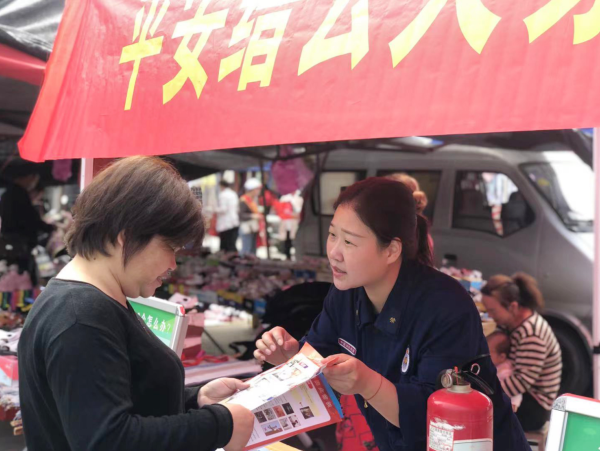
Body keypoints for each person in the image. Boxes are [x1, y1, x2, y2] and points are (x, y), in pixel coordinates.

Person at [254, 177, 528, 451]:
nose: (334, 252)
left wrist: (368, 384)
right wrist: (289, 356)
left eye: (349, 241)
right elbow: (317, 357)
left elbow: (439, 416)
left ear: (392, 250)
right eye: (332, 234)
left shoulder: (446, 305)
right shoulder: (345, 294)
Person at [18, 157, 254, 451]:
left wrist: (195, 400)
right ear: (125, 237)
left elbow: (115, 399)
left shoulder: (91, 300)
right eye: (170, 248)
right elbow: (108, 440)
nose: (172, 265)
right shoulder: (81, 316)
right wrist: (220, 426)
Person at [481, 273, 562, 432]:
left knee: (480, 416)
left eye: (492, 311)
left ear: (512, 306)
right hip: (521, 393)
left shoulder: (531, 334)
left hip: (535, 406)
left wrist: (486, 393)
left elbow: (521, 381)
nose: (489, 316)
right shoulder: (509, 323)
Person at [0, 168, 54, 278]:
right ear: (28, 177)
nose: (33, 184)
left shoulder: (7, 193)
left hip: (9, 242)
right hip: (20, 244)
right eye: (34, 180)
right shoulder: (19, 193)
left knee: (11, 275)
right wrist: (49, 227)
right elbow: (30, 219)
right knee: (22, 275)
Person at [487, 331, 522, 411]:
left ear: (502, 357)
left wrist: (514, 404)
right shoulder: (496, 365)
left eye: (488, 353)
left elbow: (516, 390)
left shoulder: (506, 372)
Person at [215, 180, 240, 253]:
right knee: (232, 245)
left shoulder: (223, 195)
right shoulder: (233, 194)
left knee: (225, 246)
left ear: (221, 186)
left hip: (226, 224)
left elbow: (223, 209)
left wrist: (213, 209)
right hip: (234, 222)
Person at [239, 178, 262, 256]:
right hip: (246, 228)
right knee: (246, 250)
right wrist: (253, 216)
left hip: (253, 227)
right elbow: (241, 215)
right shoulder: (244, 200)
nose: (258, 191)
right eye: (257, 189)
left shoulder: (253, 200)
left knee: (252, 250)